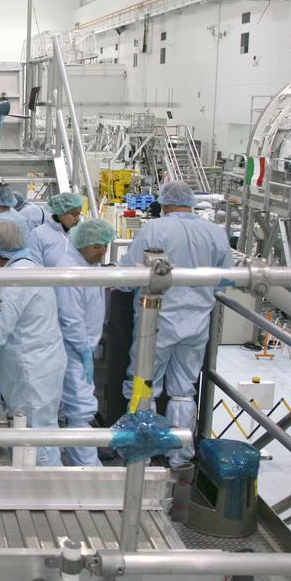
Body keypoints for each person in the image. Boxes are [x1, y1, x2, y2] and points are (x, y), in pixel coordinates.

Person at [118, 180, 230, 466]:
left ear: (164, 202)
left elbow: (130, 273)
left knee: (143, 384)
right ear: (191, 202)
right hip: (197, 320)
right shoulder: (214, 232)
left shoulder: (155, 228)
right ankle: (180, 457)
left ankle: (141, 454)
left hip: (157, 320)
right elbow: (227, 277)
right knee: (183, 389)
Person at [0, 219, 67, 465]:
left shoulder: (16, 279)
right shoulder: (26, 266)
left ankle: (47, 495)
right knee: (36, 429)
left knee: (35, 440)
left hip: (32, 370)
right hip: (39, 364)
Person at [51, 219, 116, 466]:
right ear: (83, 244)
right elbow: (70, 317)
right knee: (80, 408)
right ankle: (88, 468)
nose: (103, 251)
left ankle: (81, 458)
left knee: (76, 406)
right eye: (98, 246)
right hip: (72, 348)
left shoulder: (86, 264)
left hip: (79, 348)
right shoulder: (71, 270)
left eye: (105, 245)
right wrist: (82, 349)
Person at [26, 191, 84, 267]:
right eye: (74, 214)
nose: (77, 219)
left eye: (79, 214)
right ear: (61, 212)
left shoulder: (79, 233)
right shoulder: (38, 235)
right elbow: (34, 266)